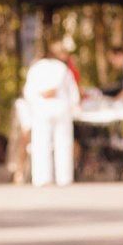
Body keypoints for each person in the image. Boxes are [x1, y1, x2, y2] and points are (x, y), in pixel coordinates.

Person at [17, 51, 78, 186]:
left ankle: (41, 178)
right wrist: (73, 105)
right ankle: (65, 178)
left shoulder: (36, 68)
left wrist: (36, 103)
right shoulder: (63, 68)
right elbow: (73, 93)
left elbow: (28, 92)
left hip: (41, 108)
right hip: (62, 107)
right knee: (63, 143)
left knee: (40, 143)